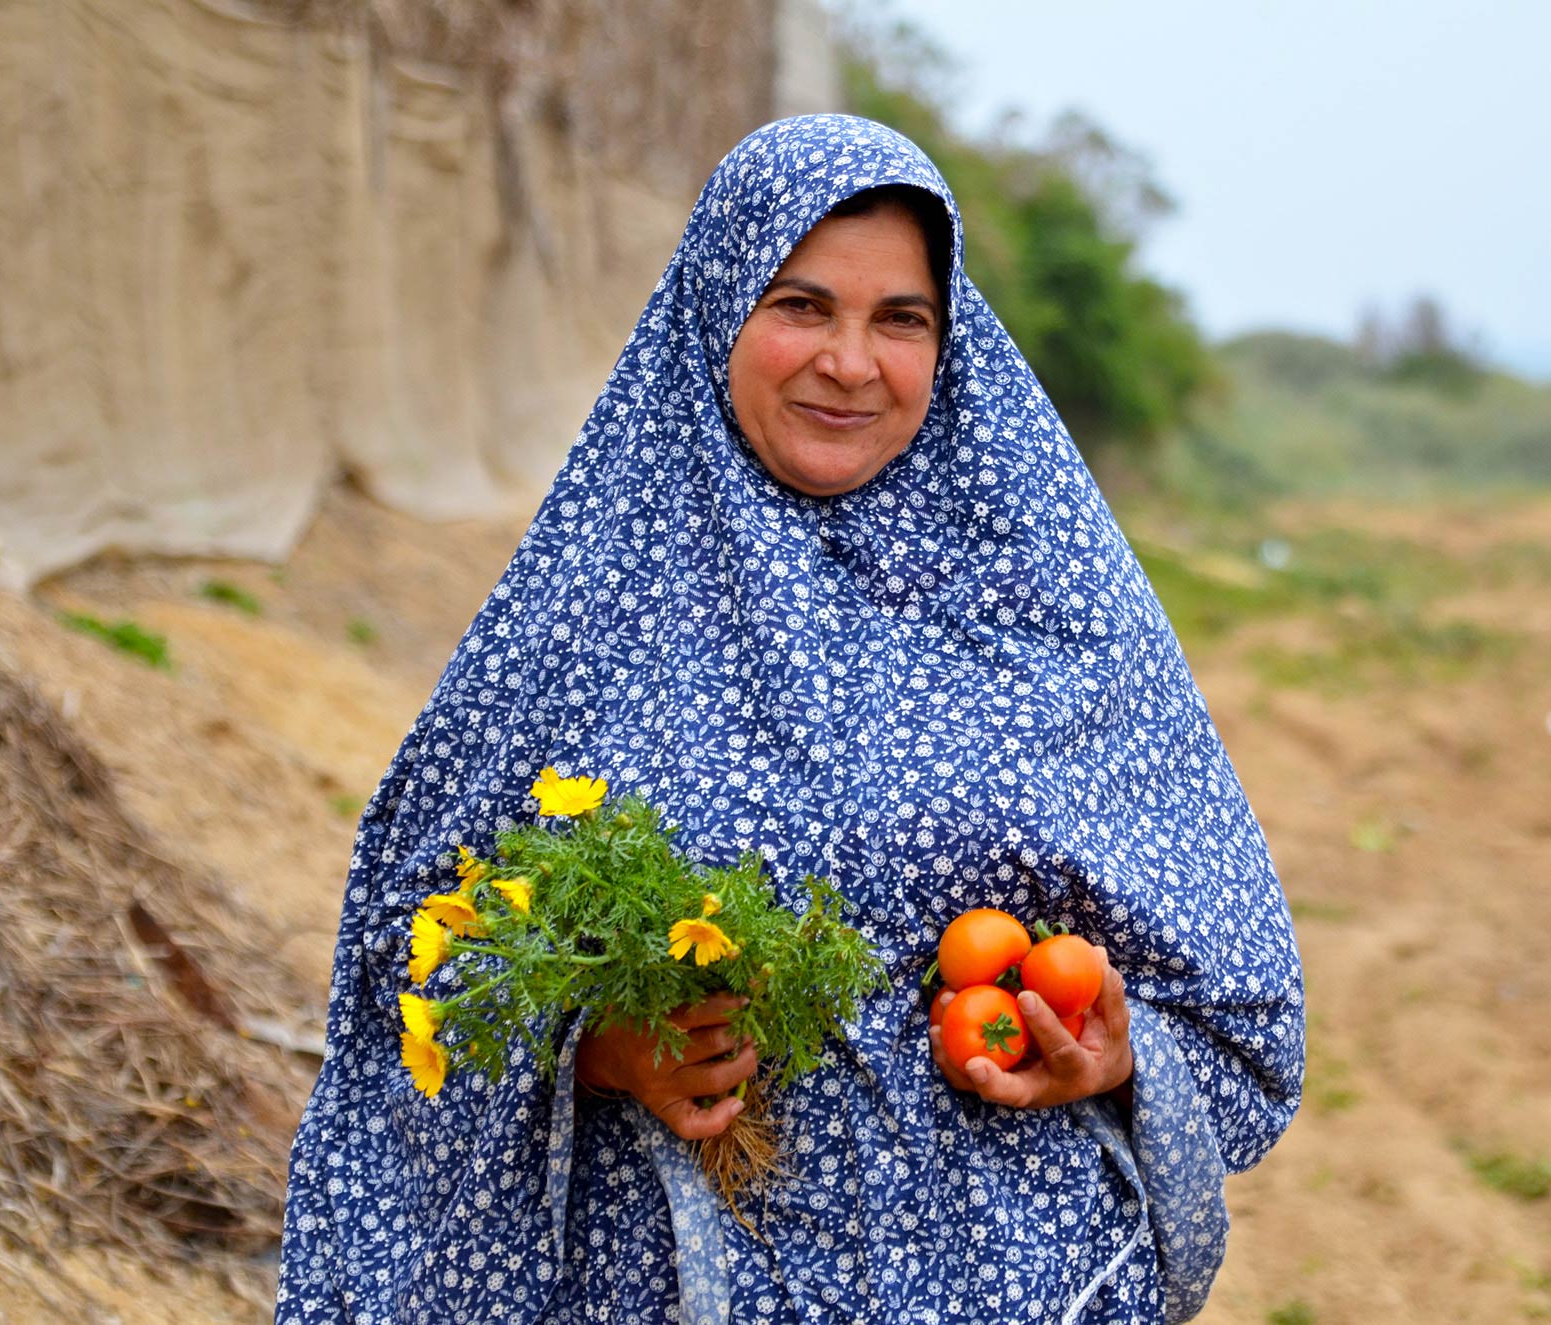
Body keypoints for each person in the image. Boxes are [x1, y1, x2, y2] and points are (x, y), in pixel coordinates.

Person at [279, 114, 1303, 1325]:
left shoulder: (1055, 601)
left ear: (948, 338)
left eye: (900, 319)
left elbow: (1237, 999)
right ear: (718, 307)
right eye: (802, 305)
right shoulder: (590, 600)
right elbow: (410, 968)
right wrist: (602, 1048)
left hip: (1010, 1287)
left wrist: (1110, 1056)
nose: (850, 361)